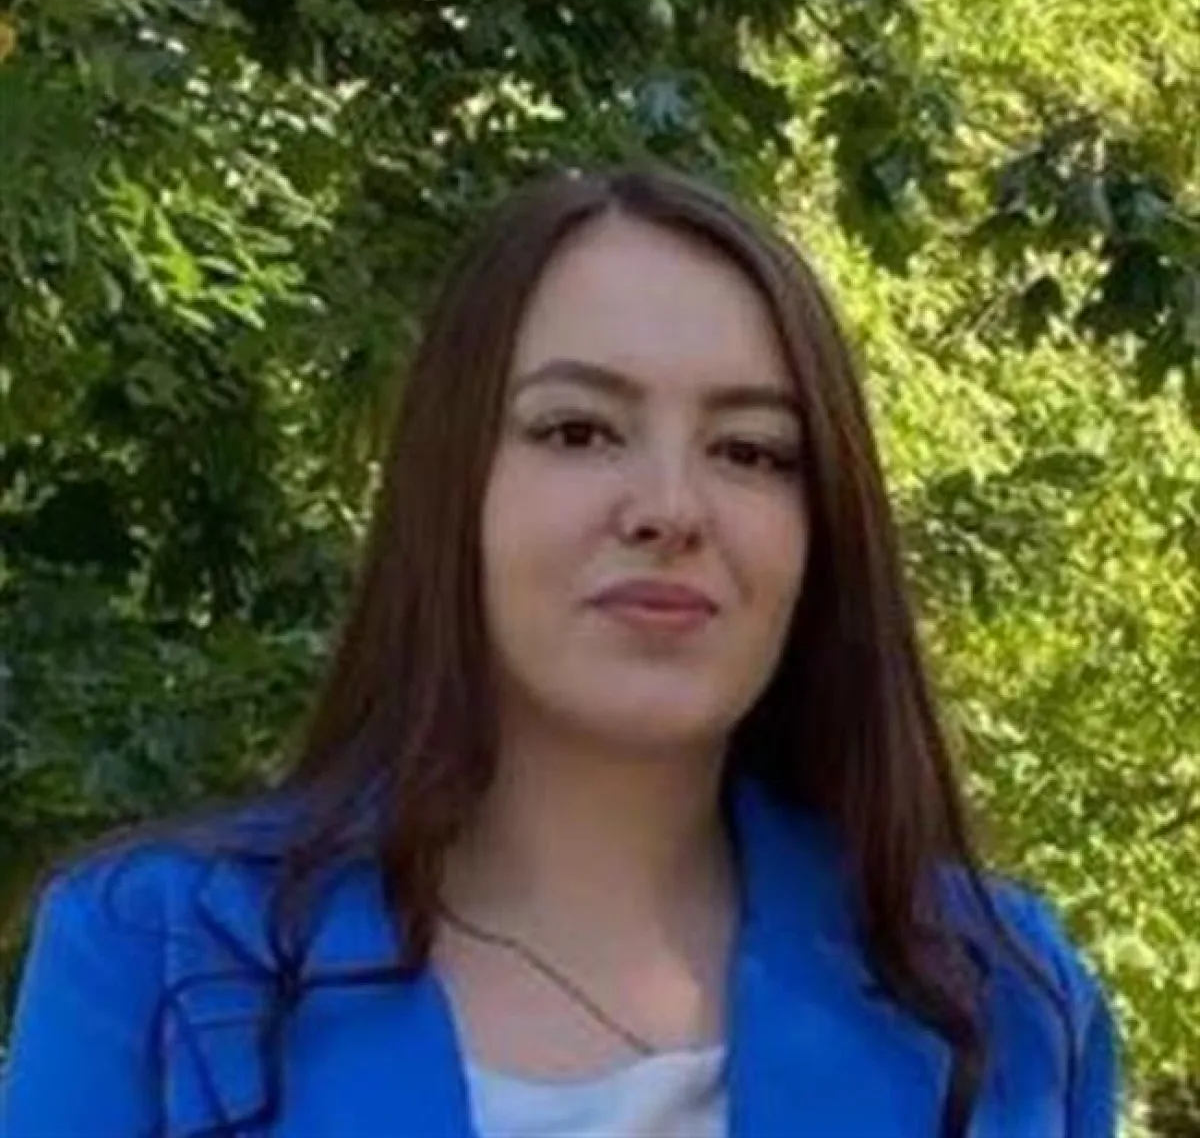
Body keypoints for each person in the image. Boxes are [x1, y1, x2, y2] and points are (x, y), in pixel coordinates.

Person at [2, 164, 1117, 1138]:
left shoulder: (1001, 1003)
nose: (670, 508)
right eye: (578, 431)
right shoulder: (156, 957)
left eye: (749, 451)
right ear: (455, 489)